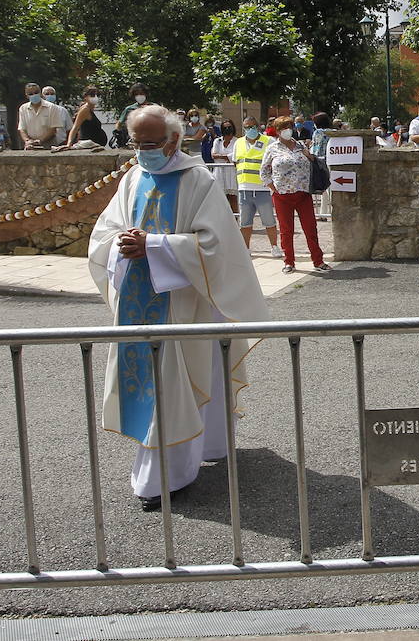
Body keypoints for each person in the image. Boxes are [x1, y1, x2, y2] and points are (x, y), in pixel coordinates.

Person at [87, 104, 268, 510]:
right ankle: (204, 447)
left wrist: (151, 245)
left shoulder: (197, 181)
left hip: (184, 303)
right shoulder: (133, 177)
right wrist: (121, 243)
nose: (142, 151)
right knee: (169, 382)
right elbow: (105, 232)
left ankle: (166, 477)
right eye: (136, 143)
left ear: (173, 140)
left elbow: (215, 247)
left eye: (149, 143)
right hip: (138, 300)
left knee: (177, 384)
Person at [259, 115, 331, 274]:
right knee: (286, 230)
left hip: (303, 193)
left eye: (290, 127)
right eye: (284, 128)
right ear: (277, 131)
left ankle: (318, 260)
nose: (288, 130)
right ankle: (289, 261)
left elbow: (313, 161)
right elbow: (264, 172)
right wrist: (274, 188)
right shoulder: (272, 148)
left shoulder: (299, 145)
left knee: (310, 228)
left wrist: (308, 154)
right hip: (282, 196)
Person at [234, 116, 282, 257]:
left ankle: (274, 247)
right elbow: (236, 162)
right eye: (247, 127)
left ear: (258, 126)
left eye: (253, 126)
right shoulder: (239, 143)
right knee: (245, 222)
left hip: (263, 188)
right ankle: (246, 249)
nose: (250, 130)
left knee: (269, 221)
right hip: (244, 188)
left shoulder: (269, 141)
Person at [19, 83, 66, 149]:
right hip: (30, 145)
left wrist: (40, 140)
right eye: (30, 94)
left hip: (49, 144)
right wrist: (27, 141)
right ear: (27, 96)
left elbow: (53, 129)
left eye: (36, 92)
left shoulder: (51, 107)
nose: (34, 95)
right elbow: (22, 128)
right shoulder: (23, 108)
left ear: (40, 93)